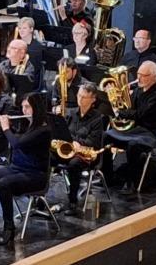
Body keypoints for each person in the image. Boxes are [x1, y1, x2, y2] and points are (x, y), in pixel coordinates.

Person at [0, 92, 52, 245]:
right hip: (17, 168)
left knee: (4, 183)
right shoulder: (27, 124)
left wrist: (6, 128)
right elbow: (18, 139)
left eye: (28, 107)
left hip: (35, 175)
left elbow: (17, 144)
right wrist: (7, 126)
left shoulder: (44, 129)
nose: (24, 110)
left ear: (37, 108)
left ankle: (9, 228)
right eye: (23, 107)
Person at [101, 61, 156, 193]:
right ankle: (107, 177)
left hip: (149, 134)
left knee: (133, 145)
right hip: (134, 130)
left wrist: (119, 112)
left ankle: (131, 182)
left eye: (144, 75)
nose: (138, 78)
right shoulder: (137, 91)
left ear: (154, 78)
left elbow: (140, 114)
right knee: (105, 136)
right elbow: (130, 111)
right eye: (138, 74)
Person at [61, 83, 103, 215]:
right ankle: (39, 198)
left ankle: (73, 202)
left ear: (93, 99)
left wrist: (78, 143)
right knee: (47, 157)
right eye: (79, 95)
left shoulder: (98, 118)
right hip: (69, 151)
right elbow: (64, 133)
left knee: (74, 165)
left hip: (87, 155)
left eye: (84, 97)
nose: (80, 99)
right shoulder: (71, 113)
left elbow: (94, 142)